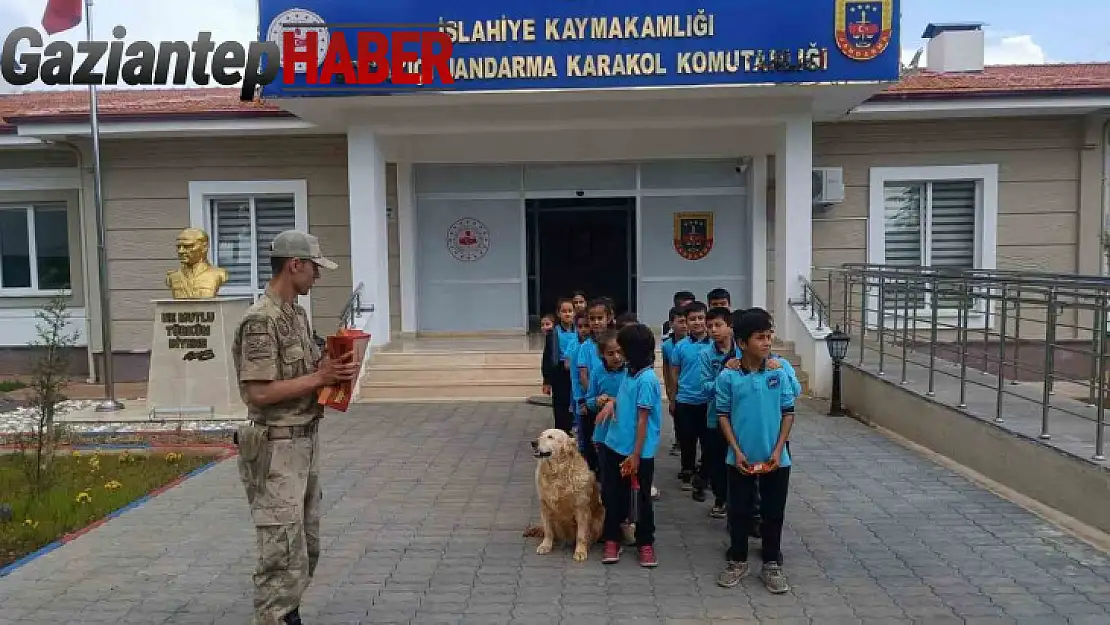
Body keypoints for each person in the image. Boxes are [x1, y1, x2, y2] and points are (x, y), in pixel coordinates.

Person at [231, 230, 360, 625]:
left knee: (306, 545)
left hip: (304, 442)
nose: (317, 277)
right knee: (280, 549)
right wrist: (320, 377)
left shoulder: (297, 316)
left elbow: (309, 370)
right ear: (295, 265)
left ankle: (288, 611)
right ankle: (275, 617)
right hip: (276, 448)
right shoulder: (260, 321)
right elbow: (259, 393)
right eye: (315, 269)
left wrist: (335, 364)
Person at [715, 311, 796, 594]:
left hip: (776, 458)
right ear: (742, 341)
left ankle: (771, 563)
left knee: (773, 513)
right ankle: (737, 560)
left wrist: (778, 450)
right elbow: (723, 415)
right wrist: (736, 451)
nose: (767, 342)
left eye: (769, 336)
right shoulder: (728, 376)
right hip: (739, 458)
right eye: (760, 337)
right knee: (738, 512)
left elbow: (788, 413)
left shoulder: (778, 372)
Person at [596, 323, 663, 567]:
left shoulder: (647, 380)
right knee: (612, 494)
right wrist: (612, 403)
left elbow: (643, 420)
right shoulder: (629, 372)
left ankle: (645, 543)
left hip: (638, 452)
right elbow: (625, 399)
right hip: (614, 445)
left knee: (641, 497)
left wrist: (635, 455)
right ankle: (611, 538)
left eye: (622, 348)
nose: (619, 353)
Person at [669, 301, 711, 493]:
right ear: (686, 322)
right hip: (685, 400)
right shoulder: (680, 346)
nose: (696, 322)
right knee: (687, 439)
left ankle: (705, 475)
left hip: (708, 401)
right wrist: (673, 398)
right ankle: (687, 471)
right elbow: (674, 373)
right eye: (692, 319)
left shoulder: (714, 345)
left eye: (700, 318)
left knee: (708, 440)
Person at [576, 299, 615, 472]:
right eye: (593, 319)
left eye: (600, 317)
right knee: (592, 440)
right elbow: (583, 375)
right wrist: (592, 397)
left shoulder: (617, 342)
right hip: (595, 402)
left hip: (616, 403)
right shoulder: (585, 347)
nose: (596, 322)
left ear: (609, 317)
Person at [585, 328, 625, 479]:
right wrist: (597, 401)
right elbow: (589, 400)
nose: (616, 357)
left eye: (619, 352)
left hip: (625, 431)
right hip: (604, 432)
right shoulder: (597, 372)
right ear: (602, 354)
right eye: (610, 353)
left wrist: (614, 401)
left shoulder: (631, 372)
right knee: (607, 475)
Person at [541, 298, 577, 433]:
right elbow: (547, 357)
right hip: (559, 371)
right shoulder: (553, 333)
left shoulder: (579, 330)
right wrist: (547, 380)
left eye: (570, 311)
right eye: (564, 311)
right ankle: (561, 432)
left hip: (576, 370)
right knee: (560, 404)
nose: (567, 314)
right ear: (558, 313)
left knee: (575, 401)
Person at [661, 306, 688, 457]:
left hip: (690, 388)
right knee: (677, 417)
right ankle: (679, 442)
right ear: (671, 324)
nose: (684, 325)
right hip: (675, 386)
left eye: (686, 321)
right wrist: (670, 392)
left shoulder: (696, 345)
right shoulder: (667, 346)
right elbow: (666, 370)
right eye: (680, 321)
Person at [567, 310, 591, 437]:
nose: (583, 330)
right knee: (583, 433)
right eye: (580, 326)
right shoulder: (575, 346)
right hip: (580, 395)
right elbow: (575, 377)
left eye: (586, 326)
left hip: (595, 395)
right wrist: (580, 399)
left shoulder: (595, 346)